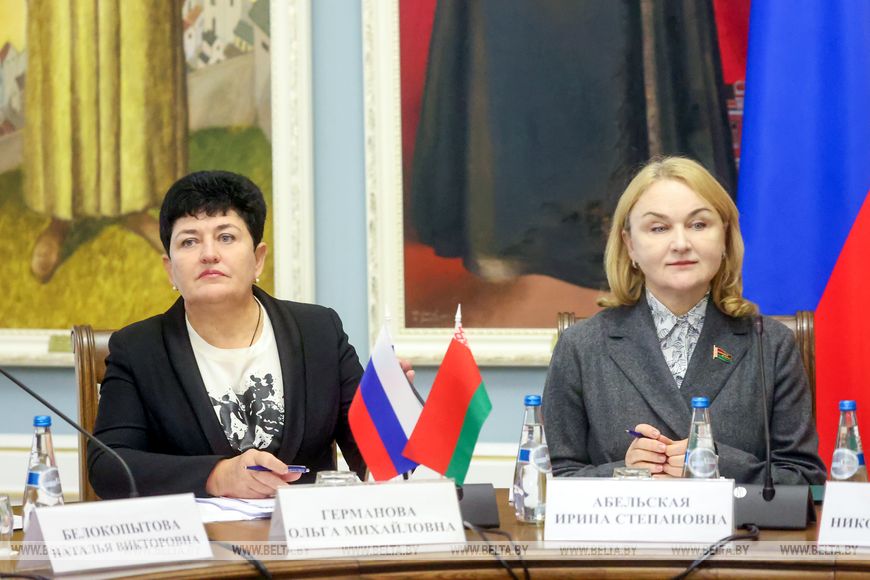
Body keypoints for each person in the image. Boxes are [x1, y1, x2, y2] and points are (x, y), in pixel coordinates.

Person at [543, 157, 826, 484]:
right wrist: (624, 474)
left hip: (735, 520)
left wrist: (716, 464)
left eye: (699, 225)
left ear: (725, 237)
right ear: (630, 245)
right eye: (659, 228)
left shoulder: (770, 344)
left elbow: (806, 480)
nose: (681, 244)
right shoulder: (581, 347)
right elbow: (551, 480)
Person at [88, 171, 365, 499]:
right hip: (201, 531)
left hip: (304, 530)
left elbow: (375, 456)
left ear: (258, 259)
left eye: (226, 237)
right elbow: (108, 466)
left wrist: (392, 405)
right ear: (170, 269)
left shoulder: (319, 332)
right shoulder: (139, 350)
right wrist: (215, 475)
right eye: (189, 241)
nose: (209, 254)